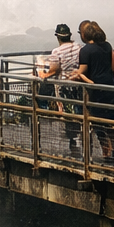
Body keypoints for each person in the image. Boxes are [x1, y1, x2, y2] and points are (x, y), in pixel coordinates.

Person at [73, 21, 114, 159]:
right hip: (110, 87)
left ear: (85, 34)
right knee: (111, 121)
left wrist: (77, 75)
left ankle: (106, 152)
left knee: (98, 123)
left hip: (95, 91)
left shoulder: (86, 50)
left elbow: (82, 71)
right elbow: (113, 67)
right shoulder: (107, 46)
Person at [37, 22, 82, 151]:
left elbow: (54, 70)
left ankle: (73, 142)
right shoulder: (78, 47)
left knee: (68, 113)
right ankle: (82, 138)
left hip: (64, 86)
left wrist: (42, 72)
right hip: (78, 83)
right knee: (78, 109)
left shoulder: (56, 51)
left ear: (58, 37)